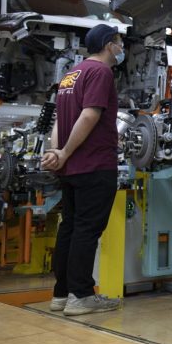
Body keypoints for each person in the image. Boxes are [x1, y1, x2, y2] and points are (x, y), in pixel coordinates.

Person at [41, 24, 123, 316]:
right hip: (94, 164)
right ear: (108, 44)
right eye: (118, 40)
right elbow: (89, 115)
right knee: (87, 229)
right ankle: (81, 295)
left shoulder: (70, 75)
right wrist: (63, 151)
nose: (121, 45)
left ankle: (61, 294)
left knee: (71, 228)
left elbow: (59, 122)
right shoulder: (100, 72)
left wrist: (57, 152)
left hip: (72, 167)